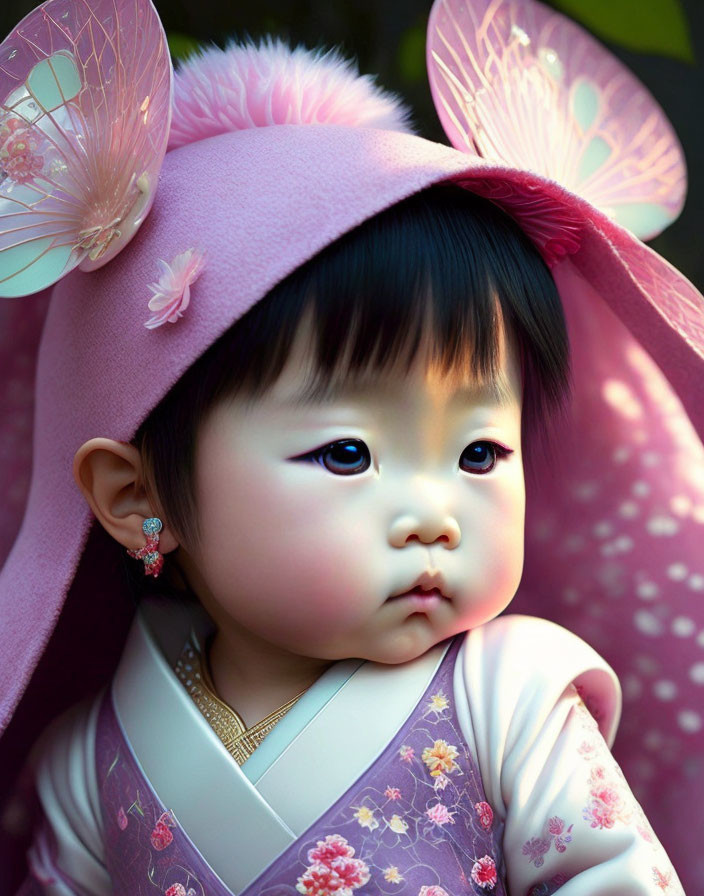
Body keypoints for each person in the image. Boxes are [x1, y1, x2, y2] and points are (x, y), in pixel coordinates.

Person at [0, 0, 701, 892]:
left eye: (480, 454)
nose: (433, 516)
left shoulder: (512, 704)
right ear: (142, 497)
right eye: (345, 454)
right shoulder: (90, 763)